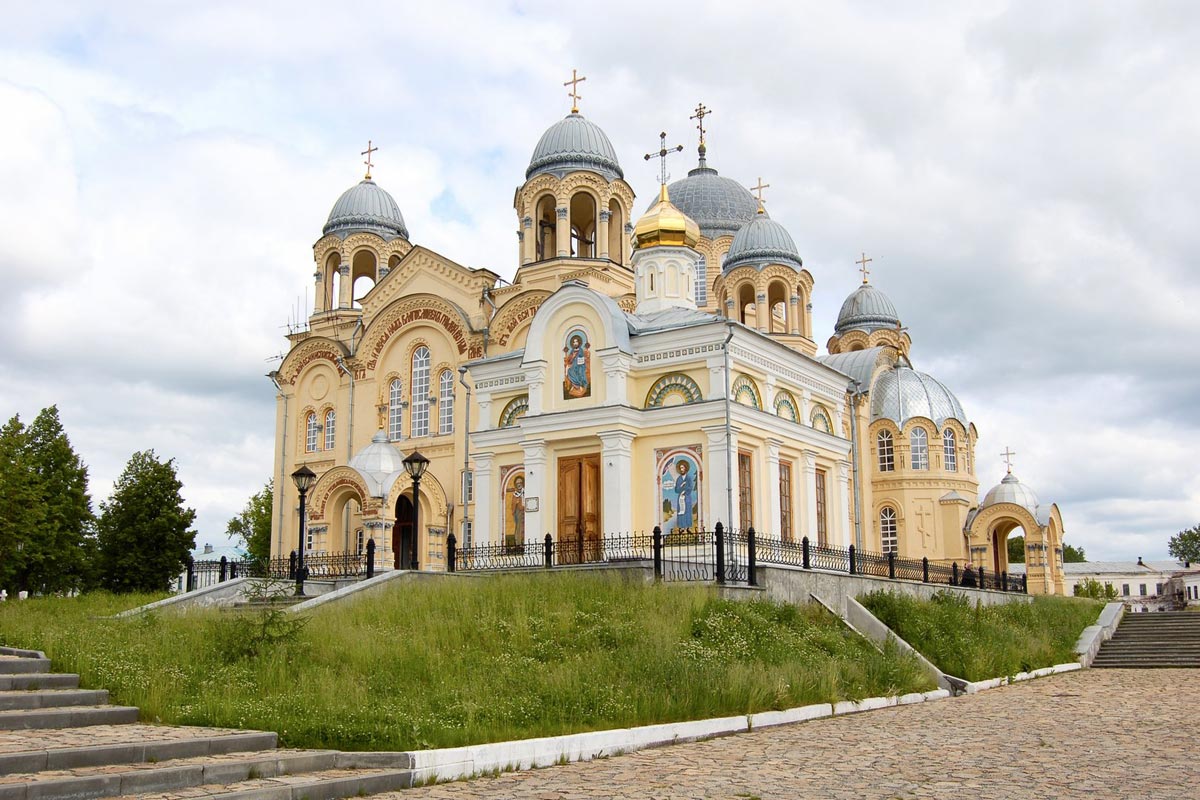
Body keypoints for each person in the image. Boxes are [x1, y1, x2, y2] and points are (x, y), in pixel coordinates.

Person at [563, 333, 590, 398]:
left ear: (579, 343)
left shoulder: (580, 350)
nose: (575, 343)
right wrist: (572, 357)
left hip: (581, 365)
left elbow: (583, 358)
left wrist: (583, 358)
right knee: (570, 371)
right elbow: (570, 361)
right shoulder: (572, 351)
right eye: (574, 342)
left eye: (576, 342)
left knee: (580, 371)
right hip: (574, 364)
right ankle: (576, 386)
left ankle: (579, 386)